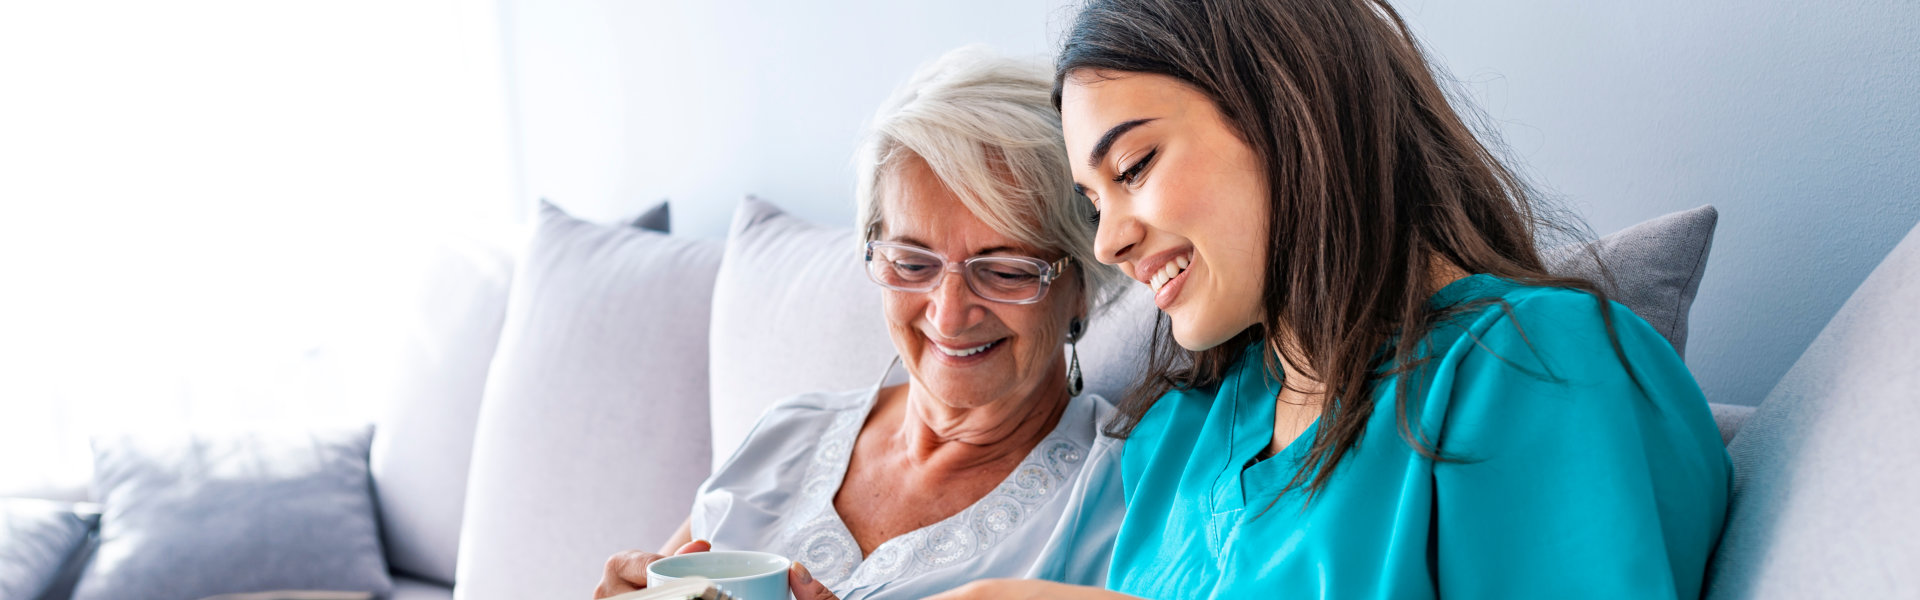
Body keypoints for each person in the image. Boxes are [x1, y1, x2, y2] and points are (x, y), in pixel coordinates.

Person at [929, 0, 1732, 598]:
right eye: (1093, 202)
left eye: (1133, 167)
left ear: (1289, 111)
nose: (1107, 243)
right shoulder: (1176, 438)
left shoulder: (1538, 367)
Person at [592, 46, 1129, 600]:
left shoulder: (1120, 495)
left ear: (1082, 284)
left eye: (1005, 271)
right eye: (913, 263)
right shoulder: (787, 435)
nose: (948, 312)